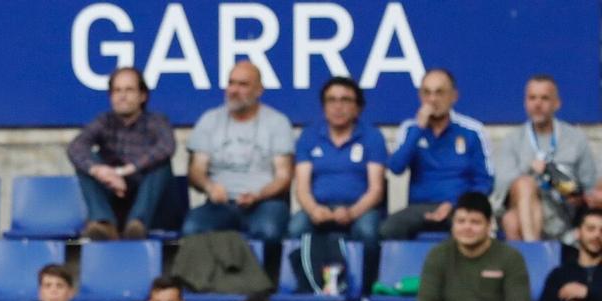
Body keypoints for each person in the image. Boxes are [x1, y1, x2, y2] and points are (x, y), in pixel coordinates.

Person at [181, 61, 295, 246]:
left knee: (269, 230)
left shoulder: (277, 122)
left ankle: (260, 276)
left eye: (243, 85)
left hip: (264, 203)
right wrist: (210, 187)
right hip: (220, 204)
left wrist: (258, 195)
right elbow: (196, 170)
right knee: (192, 228)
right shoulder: (209, 120)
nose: (234, 90)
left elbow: (283, 177)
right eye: (231, 83)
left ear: (259, 90)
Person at [381, 69, 492, 240]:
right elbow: (396, 168)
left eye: (439, 92)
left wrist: (457, 204)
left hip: (460, 206)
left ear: (454, 96)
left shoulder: (473, 130)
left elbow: (485, 181)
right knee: (389, 229)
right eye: (427, 93)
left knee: (467, 227)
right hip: (419, 207)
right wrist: (418, 129)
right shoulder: (410, 129)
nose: (432, 99)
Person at [67, 66, 175, 241]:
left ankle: (137, 223)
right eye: (117, 90)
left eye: (129, 90)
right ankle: (103, 223)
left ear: (143, 96)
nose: (122, 96)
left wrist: (125, 171)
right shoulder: (104, 121)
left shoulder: (156, 121)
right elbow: (75, 147)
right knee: (87, 163)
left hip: (151, 207)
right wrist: (101, 171)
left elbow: (167, 146)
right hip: (114, 202)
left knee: (162, 164)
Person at [494, 74, 602, 244]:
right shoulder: (512, 140)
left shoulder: (575, 139)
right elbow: (502, 185)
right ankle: (535, 249)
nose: (537, 104)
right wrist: (531, 172)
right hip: (522, 209)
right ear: (525, 103)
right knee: (522, 191)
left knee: (511, 221)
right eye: (532, 98)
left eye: (544, 98)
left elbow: (589, 187)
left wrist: (556, 178)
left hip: (562, 212)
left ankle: (528, 262)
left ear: (557, 103)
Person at [288, 76, 388, 255]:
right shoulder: (309, 136)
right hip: (319, 207)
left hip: (360, 209)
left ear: (358, 108)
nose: (338, 106)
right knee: (296, 228)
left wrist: (352, 212)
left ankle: (366, 282)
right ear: (324, 107)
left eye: (345, 100)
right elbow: (302, 188)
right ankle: (306, 282)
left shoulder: (373, 137)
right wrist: (314, 210)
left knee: (368, 232)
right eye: (331, 100)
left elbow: (376, 190)